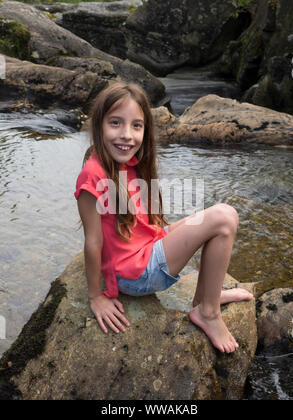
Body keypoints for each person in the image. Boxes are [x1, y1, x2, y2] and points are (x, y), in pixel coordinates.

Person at [74, 82, 253, 354]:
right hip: (135, 274)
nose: (127, 135)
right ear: (98, 125)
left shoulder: (126, 162)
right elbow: (93, 243)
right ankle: (208, 313)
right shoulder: (93, 174)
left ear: (145, 130)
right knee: (225, 217)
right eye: (115, 123)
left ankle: (207, 299)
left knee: (208, 219)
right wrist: (96, 297)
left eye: (136, 126)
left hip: (142, 250)